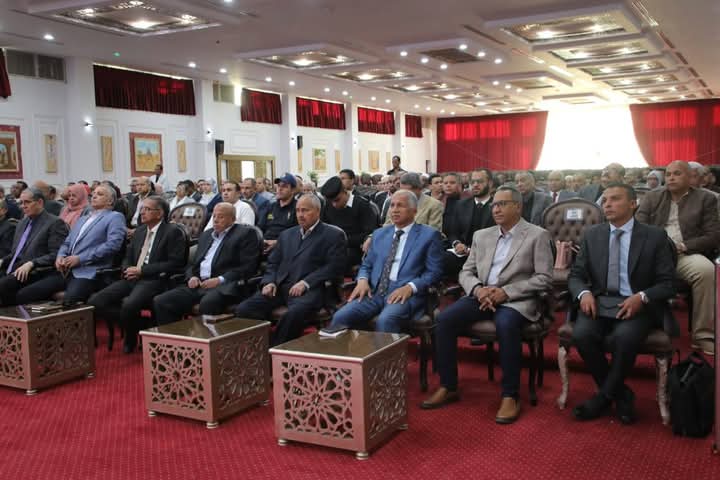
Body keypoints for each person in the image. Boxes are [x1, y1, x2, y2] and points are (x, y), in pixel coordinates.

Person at [421, 186, 554, 424]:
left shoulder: (537, 235)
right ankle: (448, 385)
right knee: (445, 320)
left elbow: (544, 278)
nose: (496, 209)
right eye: (494, 205)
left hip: (516, 300)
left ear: (518, 207)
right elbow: (466, 271)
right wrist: (477, 289)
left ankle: (510, 395)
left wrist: (505, 292)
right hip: (481, 295)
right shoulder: (482, 235)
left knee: (506, 324)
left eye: (502, 204)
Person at [569, 183, 675, 424]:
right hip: (599, 301)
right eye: (605, 200)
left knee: (624, 338)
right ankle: (621, 394)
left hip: (637, 302)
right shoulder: (592, 234)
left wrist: (642, 297)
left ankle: (602, 398)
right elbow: (576, 275)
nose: (607, 204)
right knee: (582, 335)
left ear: (633, 204)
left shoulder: (654, 236)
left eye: (615, 199)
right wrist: (584, 293)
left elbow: (668, 283)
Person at [233, 194, 347, 345]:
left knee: (293, 314)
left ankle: (277, 349)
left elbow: (334, 267)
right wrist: (269, 281)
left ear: (318, 211)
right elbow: (273, 263)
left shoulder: (333, 234)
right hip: (280, 286)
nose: (300, 214)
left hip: (311, 289)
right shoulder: (287, 234)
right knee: (244, 309)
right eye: (298, 210)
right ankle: (262, 345)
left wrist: (306, 283)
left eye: (305, 210)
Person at [636, 160, 720, 355]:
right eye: (668, 174)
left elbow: (713, 235)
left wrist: (684, 246)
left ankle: (703, 335)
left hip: (684, 254)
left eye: (677, 174)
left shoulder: (706, 198)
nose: (671, 178)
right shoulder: (653, 196)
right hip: (653, 255)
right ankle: (633, 325)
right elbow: (638, 227)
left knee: (707, 271)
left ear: (690, 177)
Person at [330, 190, 443, 333]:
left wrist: (411, 287)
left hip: (405, 293)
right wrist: (362, 280)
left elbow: (434, 272)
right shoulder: (379, 234)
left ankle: (387, 349)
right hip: (374, 292)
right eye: (392, 205)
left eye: (400, 205)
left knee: (386, 320)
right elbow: (366, 265)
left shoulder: (429, 235)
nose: (394, 210)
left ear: (414, 211)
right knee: (340, 317)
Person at [89, 195, 186, 352]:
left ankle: (131, 338)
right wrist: (127, 268)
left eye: (147, 209)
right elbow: (128, 256)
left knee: (129, 305)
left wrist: (142, 271)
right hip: (132, 277)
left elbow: (175, 263)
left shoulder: (172, 232)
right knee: (96, 301)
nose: (142, 212)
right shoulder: (140, 231)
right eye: (142, 209)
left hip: (154, 279)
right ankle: (142, 325)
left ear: (160, 213)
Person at [153, 203, 262, 324]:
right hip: (200, 284)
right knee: (162, 301)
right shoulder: (206, 234)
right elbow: (194, 265)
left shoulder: (246, 234)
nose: (215, 220)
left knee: (208, 303)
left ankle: (205, 336)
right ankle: (174, 335)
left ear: (233, 219)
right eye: (214, 216)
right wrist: (192, 277)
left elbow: (248, 267)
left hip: (224, 286)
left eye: (221, 217)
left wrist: (219, 280)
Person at [23, 185, 126, 305]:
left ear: (110, 201)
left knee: (69, 301)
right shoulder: (83, 219)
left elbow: (113, 245)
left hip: (91, 272)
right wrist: (60, 256)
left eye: (100, 194)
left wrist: (80, 259)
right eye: (93, 193)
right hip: (67, 271)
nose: (94, 196)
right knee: (25, 294)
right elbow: (67, 242)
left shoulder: (114, 217)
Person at [0, 188, 69, 305]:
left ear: (40, 202)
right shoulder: (22, 223)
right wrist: (2, 261)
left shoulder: (55, 223)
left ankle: (12, 314)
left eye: (27, 202)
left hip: (40, 270)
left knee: (4, 286)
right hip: (18, 267)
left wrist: (32, 263)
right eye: (21, 203)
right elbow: (17, 253)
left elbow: (57, 254)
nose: (23, 206)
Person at [444, 168, 496, 276]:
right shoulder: (461, 205)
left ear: (490, 183)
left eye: (480, 181)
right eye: (473, 182)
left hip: (488, 254)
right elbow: (452, 232)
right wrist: (457, 244)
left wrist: (474, 250)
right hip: (463, 253)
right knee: (442, 259)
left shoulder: (497, 206)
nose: (475, 185)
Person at [320, 176, 377, 272]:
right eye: (331, 201)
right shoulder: (329, 206)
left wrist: (344, 241)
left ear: (345, 192)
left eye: (337, 200)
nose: (334, 205)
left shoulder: (362, 205)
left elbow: (370, 232)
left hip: (354, 249)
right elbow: (323, 228)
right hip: (332, 247)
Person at [260, 174, 298, 254]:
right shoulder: (271, 206)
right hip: (265, 244)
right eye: (278, 186)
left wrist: (278, 242)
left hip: (285, 247)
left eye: (284, 186)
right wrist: (261, 240)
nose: (279, 189)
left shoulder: (298, 208)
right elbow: (260, 227)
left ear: (293, 190)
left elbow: (298, 234)